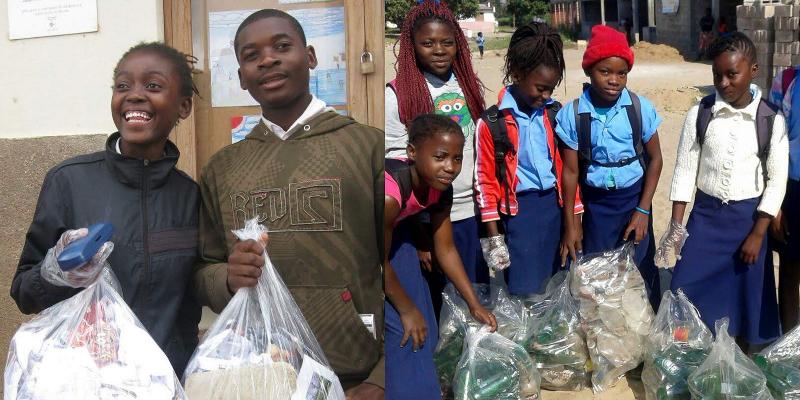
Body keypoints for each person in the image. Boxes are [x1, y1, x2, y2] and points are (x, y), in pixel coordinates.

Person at [192, 9, 384, 398]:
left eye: (282, 46)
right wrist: (227, 278)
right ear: (243, 77)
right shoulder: (222, 168)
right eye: (251, 55)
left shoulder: (367, 147)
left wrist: (381, 376)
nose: (267, 59)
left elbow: (406, 266)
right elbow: (201, 270)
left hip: (356, 373)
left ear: (310, 57)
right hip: (259, 372)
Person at [11, 42, 201, 375]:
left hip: (164, 379)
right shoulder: (68, 181)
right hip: (83, 379)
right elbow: (24, 293)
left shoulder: (189, 195)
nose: (134, 95)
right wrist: (56, 272)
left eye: (153, 86)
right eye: (122, 86)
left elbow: (190, 299)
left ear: (183, 106)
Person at [661, 33, 787, 345]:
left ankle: (739, 356)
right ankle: (691, 349)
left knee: (745, 294)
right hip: (705, 219)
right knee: (685, 284)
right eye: (717, 75)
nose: (724, 83)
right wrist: (677, 228)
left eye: (733, 74)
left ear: (753, 70)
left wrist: (759, 233)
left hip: (747, 222)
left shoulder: (770, 119)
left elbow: (776, 181)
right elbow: (684, 171)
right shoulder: (700, 114)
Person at [384, 113, 497, 399]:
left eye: (457, 159)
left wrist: (473, 303)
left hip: (392, 238)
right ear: (412, 152)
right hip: (363, 247)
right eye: (440, 157)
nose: (450, 167)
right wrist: (407, 310)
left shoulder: (440, 189)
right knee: (405, 329)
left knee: (427, 330)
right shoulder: (389, 194)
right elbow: (374, 260)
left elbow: (445, 249)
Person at [556, 25, 664, 310]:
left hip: (634, 201)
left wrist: (642, 211)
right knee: (598, 273)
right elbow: (570, 172)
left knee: (641, 271)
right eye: (605, 72)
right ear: (590, 71)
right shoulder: (574, 114)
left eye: (621, 73)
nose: (614, 80)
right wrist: (571, 223)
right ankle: (604, 338)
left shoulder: (640, 109)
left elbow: (656, 160)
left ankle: (644, 334)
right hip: (597, 205)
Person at [386, 0, 488, 293]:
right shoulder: (398, 95)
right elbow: (398, 169)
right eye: (428, 43)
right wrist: (419, 236)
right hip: (429, 219)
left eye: (447, 42)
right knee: (440, 303)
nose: (439, 50)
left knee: (476, 293)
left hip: (471, 212)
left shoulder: (468, 85)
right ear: (411, 46)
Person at [474, 21, 582, 296]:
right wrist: (494, 236)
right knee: (525, 290)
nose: (546, 96)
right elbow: (485, 182)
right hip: (520, 216)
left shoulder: (554, 114)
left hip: (556, 209)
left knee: (559, 284)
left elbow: (570, 171)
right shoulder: (492, 122)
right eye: (540, 88)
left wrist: (573, 223)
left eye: (551, 88)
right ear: (517, 73)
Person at [770, 63, 800, 331]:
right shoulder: (787, 81)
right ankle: (790, 344)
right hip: (792, 189)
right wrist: (775, 206)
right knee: (790, 269)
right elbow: (772, 142)